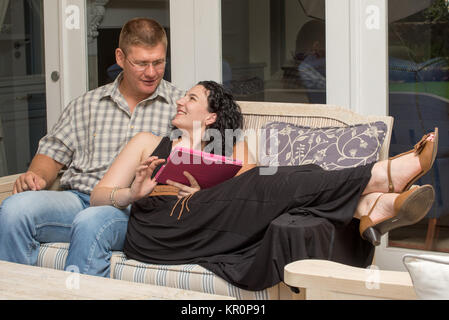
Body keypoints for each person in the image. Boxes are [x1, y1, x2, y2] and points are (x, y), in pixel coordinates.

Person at [89, 80, 438, 289]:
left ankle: (370, 204)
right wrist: (133, 192)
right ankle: (374, 182)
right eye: (184, 97)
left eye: (191, 98)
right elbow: (97, 197)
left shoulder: (229, 149)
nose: (180, 101)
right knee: (264, 177)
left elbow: (254, 191)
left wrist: (207, 192)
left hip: (208, 223)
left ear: (210, 117)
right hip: (154, 230)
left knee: (280, 176)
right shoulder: (147, 142)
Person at [0, 18, 184, 277]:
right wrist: (37, 176)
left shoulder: (181, 106)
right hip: (77, 198)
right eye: (141, 63)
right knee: (14, 209)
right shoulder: (86, 104)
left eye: (159, 62)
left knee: (92, 221)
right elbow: (51, 154)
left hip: (132, 209)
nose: (152, 72)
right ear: (120, 57)